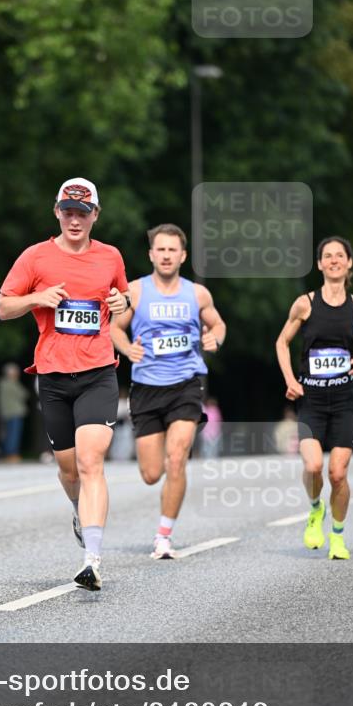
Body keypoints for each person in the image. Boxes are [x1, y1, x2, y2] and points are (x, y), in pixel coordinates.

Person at [0, 178, 130, 590]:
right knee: (69, 470)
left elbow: (122, 304)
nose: (75, 219)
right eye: (68, 212)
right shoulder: (36, 257)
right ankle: (78, 508)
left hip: (98, 374)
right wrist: (36, 300)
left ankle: (92, 559)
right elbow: (3, 307)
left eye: (83, 212)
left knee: (92, 463)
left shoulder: (110, 257)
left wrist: (123, 305)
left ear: (95, 216)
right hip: (53, 376)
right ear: (57, 212)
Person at [111, 224, 226, 558]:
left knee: (177, 460)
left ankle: (163, 536)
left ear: (182, 255)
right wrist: (126, 348)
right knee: (151, 474)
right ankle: (162, 470)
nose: (165, 255)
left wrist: (213, 338)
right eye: (160, 249)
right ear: (151, 255)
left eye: (172, 250)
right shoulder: (135, 291)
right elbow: (114, 328)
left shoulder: (197, 294)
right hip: (146, 388)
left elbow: (217, 323)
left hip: (185, 385)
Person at [275, 236, 353, 560]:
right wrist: (290, 379)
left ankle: (339, 536)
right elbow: (281, 342)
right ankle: (316, 509)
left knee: (338, 473)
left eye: (339, 256)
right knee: (314, 465)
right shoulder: (305, 303)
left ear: (349, 263)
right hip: (312, 400)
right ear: (319, 264)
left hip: (345, 399)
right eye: (327, 256)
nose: (333, 260)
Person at [0, 363, 29, 461]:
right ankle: (12, 454)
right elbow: (24, 394)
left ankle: (8, 453)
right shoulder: (12, 384)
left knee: (8, 434)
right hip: (15, 412)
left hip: (5, 413)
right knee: (14, 435)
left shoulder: (2, 384)